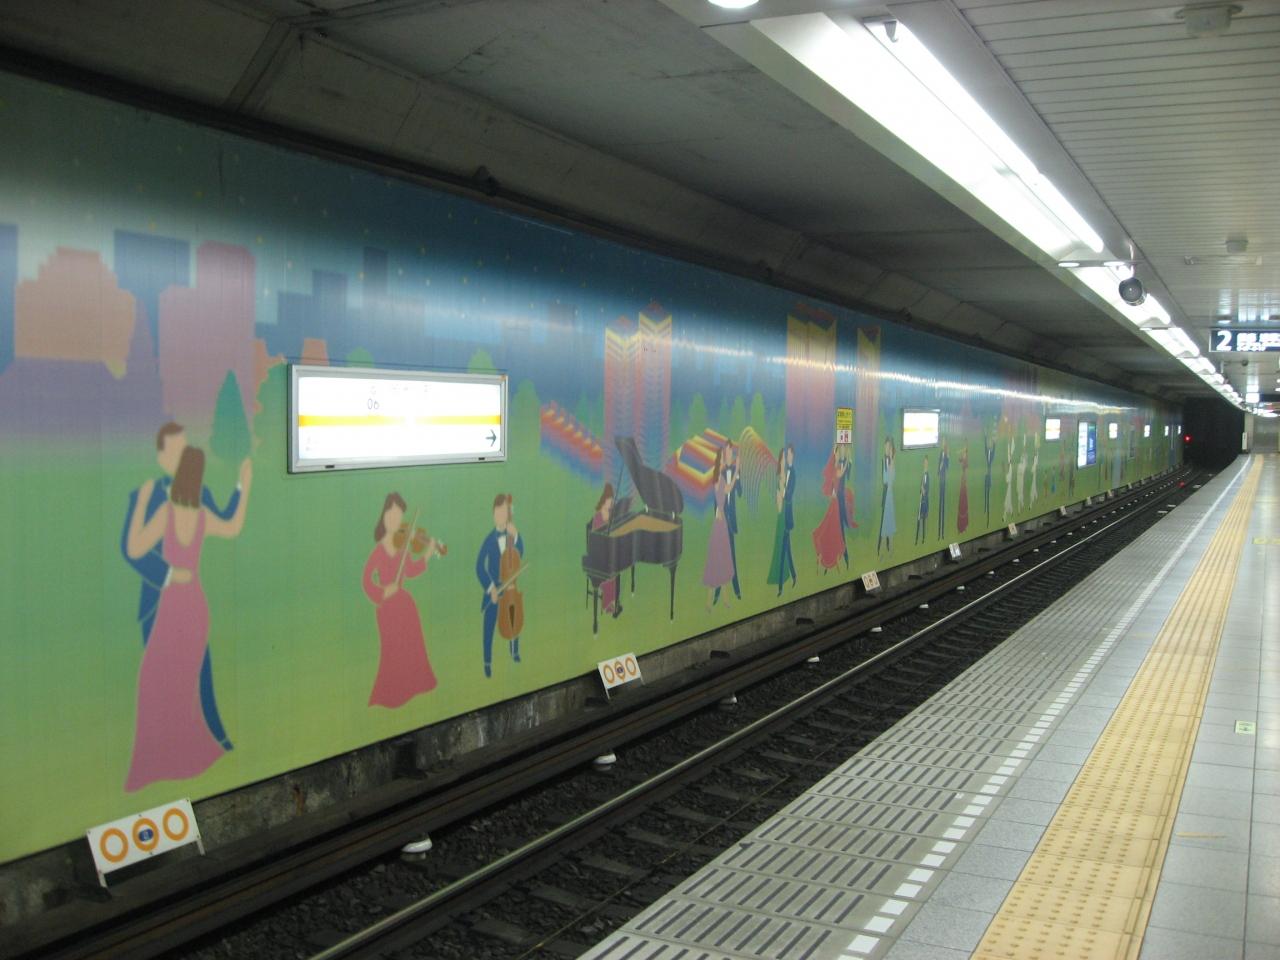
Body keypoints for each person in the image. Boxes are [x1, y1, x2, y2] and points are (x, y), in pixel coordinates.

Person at [124, 447, 251, 791]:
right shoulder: (202, 515)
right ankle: (182, 757)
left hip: (173, 605)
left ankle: (159, 761)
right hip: (195, 606)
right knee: (182, 683)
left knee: (154, 679)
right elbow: (233, 526)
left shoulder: (166, 511)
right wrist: (243, 486)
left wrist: (140, 503)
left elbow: (135, 548)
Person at [362, 493, 440, 708]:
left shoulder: (402, 547)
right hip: (387, 608)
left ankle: (413, 686)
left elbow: (411, 570)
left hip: (405, 606)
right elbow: (366, 580)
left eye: (399, 516)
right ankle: (392, 694)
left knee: (410, 647)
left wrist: (428, 552)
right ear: (384, 516)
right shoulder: (379, 550)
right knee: (393, 650)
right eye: (391, 515)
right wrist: (383, 592)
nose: (395, 520)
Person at [476, 494, 524, 678]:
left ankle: (514, 651)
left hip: (511, 588)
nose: (500, 515)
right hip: (495, 591)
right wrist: (491, 588)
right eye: (497, 512)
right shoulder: (490, 539)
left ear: (508, 514)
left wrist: (516, 535)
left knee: (514, 617)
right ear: (493, 514)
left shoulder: (512, 535)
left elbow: (520, 553)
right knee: (489, 626)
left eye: (503, 512)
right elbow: (479, 566)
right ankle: (487, 662)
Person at [702, 449, 735, 611]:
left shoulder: (717, 477)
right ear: (719, 461)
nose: (723, 461)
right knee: (718, 560)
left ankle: (724, 599)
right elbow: (727, 490)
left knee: (722, 560)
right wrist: (736, 472)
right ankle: (711, 602)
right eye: (722, 459)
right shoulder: (718, 478)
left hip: (721, 522)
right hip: (720, 523)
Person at [812, 443, 852, 572]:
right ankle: (839, 557)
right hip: (836, 504)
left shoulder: (835, 468)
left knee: (833, 530)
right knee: (834, 530)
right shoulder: (837, 469)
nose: (840, 453)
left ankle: (836, 557)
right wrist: (847, 458)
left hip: (836, 503)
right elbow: (841, 473)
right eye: (839, 451)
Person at [714, 442, 743, 605]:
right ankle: (720, 590)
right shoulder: (720, 473)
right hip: (722, 522)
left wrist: (738, 475)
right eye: (727, 453)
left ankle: (735, 588)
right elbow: (720, 495)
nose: (729, 456)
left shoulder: (731, 472)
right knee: (721, 557)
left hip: (730, 521)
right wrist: (737, 469)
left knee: (730, 556)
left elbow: (739, 492)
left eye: (731, 453)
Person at [766, 445, 797, 595]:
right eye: (784, 457)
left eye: (788, 456)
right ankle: (794, 576)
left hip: (786, 516)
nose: (786, 460)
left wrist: (782, 493)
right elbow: (777, 500)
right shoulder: (780, 475)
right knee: (785, 549)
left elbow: (789, 494)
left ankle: (780, 587)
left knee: (782, 551)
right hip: (781, 517)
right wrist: (779, 495)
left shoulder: (792, 473)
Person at [592, 483, 621, 618]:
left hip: (608, 552)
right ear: (605, 500)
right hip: (598, 554)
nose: (611, 504)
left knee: (615, 568)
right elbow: (595, 539)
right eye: (610, 501)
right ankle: (608, 605)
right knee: (610, 571)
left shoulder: (610, 516)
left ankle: (613, 602)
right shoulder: (598, 517)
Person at [877, 437, 896, 556]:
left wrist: (892, 462)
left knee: (889, 520)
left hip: (890, 494)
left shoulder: (891, 462)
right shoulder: (884, 461)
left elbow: (892, 479)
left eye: (889, 447)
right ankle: (883, 547)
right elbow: (885, 479)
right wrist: (890, 467)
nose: (887, 449)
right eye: (886, 446)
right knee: (886, 521)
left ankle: (888, 547)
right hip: (887, 494)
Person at [914, 454, 931, 545]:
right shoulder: (922, 475)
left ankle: (923, 538)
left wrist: (923, 490)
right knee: (919, 519)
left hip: (925, 501)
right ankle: (917, 538)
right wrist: (921, 489)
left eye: (926, 462)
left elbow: (927, 490)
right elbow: (919, 490)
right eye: (924, 462)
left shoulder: (927, 476)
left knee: (924, 519)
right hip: (921, 501)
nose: (925, 464)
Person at [936, 438, 950, 540]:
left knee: (943, 506)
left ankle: (942, 533)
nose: (943, 445)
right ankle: (939, 533)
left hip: (944, 481)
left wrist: (947, 457)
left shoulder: (946, 455)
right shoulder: (941, 454)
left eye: (944, 443)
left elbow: (947, 467)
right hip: (941, 480)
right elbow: (938, 469)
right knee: (940, 506)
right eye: (942, 443)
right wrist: (939, 468)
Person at [983, 427, 996, 523]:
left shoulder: (992, 454)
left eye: (991, 444)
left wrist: (994, 442)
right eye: (989, 444)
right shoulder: (986, 451)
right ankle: (985, 507)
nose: (989, 445)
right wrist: (985, 435)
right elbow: (985, 444)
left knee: (988, 491)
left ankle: (988, 510)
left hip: (989, 475)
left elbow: (994, 448)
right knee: (985, 491)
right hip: (986, 476)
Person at [956, 444, 970, 534]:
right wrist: (961, 451)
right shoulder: (963, 459)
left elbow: (966, 470)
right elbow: (958, 459)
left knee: (964, 504)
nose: (964, 454)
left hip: (964, 484)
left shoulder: (966, 461)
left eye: (965, 452)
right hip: (962, 483)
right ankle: (961, 526)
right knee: (961, 503)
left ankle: (964, 525)